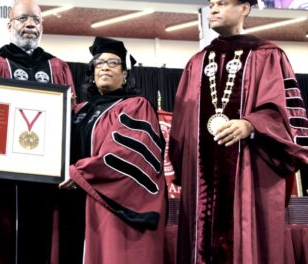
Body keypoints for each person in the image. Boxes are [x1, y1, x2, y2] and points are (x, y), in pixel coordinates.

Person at [169, 0, 308, 263]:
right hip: (202, 182)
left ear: (244, 8)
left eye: (222, 3)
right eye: (211, 4)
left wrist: (252, 124)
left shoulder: (268, 55)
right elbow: (181, 130)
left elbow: (288, 115)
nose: (213, 9)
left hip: (251, 175)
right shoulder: (197, 63)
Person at [0, 0, 75, 263]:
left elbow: (70, 121)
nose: (30, 25)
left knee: (42, 242)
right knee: (0, 243)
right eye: (23, 19)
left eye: (36, 20)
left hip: (46, 179)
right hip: (2, 182)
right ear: (9, 24)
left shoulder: (58, 67)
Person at [58, 36, 167, 264]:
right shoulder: (79, 110)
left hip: (109, 208)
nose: (105, 67)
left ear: (125, 74)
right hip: (70, 203)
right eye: (99, 63)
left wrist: (80, 173)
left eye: (113, 63)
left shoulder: (136, 106)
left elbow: (125, 155)